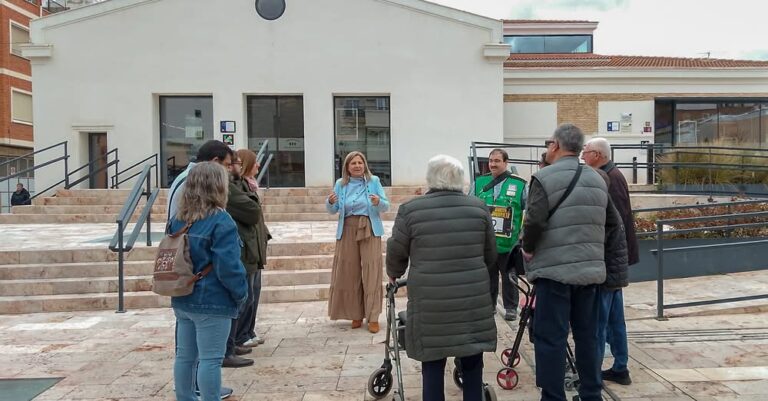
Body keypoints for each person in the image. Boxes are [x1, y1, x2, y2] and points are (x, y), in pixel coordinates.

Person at [387, 154, 497, 401]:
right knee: (472, 362)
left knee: (433, 363)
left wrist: (394, 273)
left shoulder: (410, 209)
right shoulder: (478, 208)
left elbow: (397, 250)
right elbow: (490, 255)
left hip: (431, 301)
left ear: (430, 178)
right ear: (461, 180)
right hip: (471, 300)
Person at [521, 124, 608, 401]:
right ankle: (592, 392)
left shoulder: (543, 177)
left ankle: (553, 396)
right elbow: (613, 223)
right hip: (590, 273)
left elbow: (533, 220)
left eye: (549, 143)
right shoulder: (598, 179)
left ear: (556, 145)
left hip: (555, 273)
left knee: (551, 339)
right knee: (588, 337)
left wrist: (528, 248)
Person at [168, 162, 248, 401]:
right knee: (211, 359)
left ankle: (185, 398)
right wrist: (241, 294)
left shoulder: (178, 219)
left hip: (183, 297)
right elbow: (229, 268)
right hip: (213, 300)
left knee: (185, 357)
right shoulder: (221, 221)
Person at [583, 137, 639, 385]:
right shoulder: (610, 174)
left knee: (601, 321)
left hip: (609, 262)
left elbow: (613, 223)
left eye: (586, 152)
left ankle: (594, 372)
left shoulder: (610, 179)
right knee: (615, 320)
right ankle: (620, 367)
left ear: (598, 155)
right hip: (614, 261)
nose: (582, 156)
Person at [326, 151, 389, 333]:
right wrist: (330, 203)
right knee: (349, 271)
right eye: (353, 163)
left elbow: (386, 205)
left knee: (372, 270)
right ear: (347, 167)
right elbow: (333, 209)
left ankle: (373, 316)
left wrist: (378, 202)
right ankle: (355, 314)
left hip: (369, 227)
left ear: (365, 165)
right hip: (347, 228)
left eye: (360, 162)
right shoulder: (340, 184)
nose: (357, 165)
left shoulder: (374, 181)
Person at [473, 149, 526, 321]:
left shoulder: (519, 184)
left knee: (509, 275)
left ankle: (511, 307)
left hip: (509, 242)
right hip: (486, 241)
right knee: (488, 275)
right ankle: (489, 305)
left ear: (506, 162)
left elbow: (531, 210)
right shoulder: (479, 182)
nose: (493, 164)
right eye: (490, 160)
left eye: (497, 160)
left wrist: (523, 234)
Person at [232, 149, 271, 349]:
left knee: (254, 292)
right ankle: (240, 335)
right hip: (246, 248)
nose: (258, 166)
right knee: (246, 295)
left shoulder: (249, 185)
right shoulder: (237, 187)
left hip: (255, 247)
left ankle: (248, 331)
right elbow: (251, 212)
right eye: (254, 163)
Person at [166, 140, 234, 222]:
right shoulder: (197, 180)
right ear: (215, 161)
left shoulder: (187, 176)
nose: (229, 169)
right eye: (227, 165)